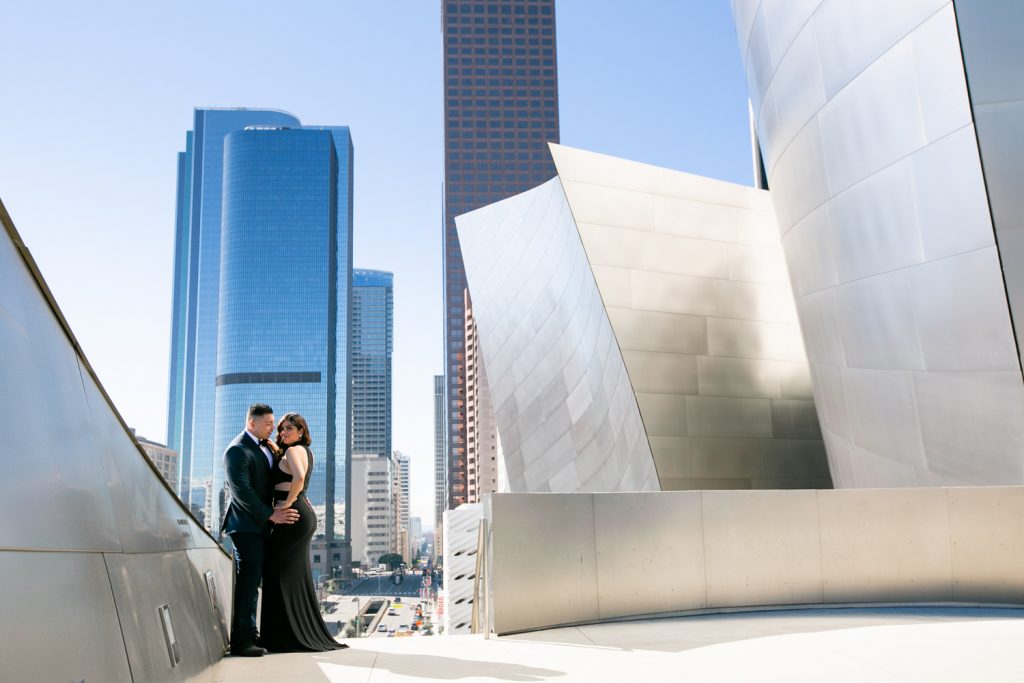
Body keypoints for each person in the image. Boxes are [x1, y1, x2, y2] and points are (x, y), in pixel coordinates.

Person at [258, 412, 347, 652]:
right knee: (290, 573)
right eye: (281, 428)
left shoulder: (293, 451)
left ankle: (282, 636)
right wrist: (274, 445)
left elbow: (297, 477)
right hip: (301, 514)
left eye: (289, 428)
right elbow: (291, 469)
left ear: (301, 431)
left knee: (276, 571)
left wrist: (286, 503)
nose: (284, 432)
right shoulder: (301, 450)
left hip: (292, 515)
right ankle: (291, 633)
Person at [222, 403, 300, 657]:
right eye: (268, 424)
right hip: (246, 527)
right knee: (249, 582)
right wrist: (271, 515)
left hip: (263, 526)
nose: (273, 428)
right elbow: (242, 492)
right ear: (251, 423)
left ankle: (255, 634)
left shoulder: (266, 446)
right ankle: (242, 642)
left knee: (257, 581)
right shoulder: (237, 450)